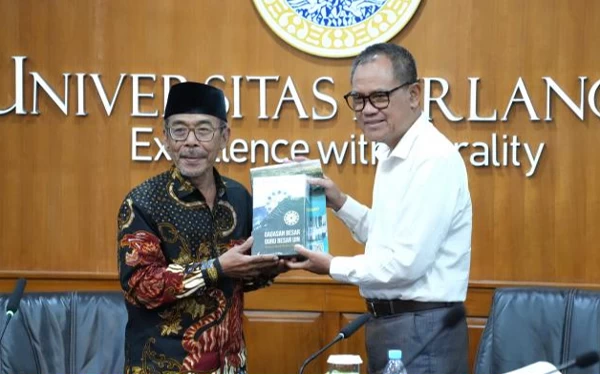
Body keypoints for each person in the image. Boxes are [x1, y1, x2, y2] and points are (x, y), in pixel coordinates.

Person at [287, 43, 472, 374]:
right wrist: (340, 202)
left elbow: (404, 264)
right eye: (358, 99)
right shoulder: (393, 152)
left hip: (422, 330)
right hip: (393, 324)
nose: (367, 109)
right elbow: (389, 235)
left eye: (379, 97)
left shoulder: (432, 158)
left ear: (414, 94)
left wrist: (331, 265)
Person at [117, 82, 283, 375]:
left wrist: (276, 264)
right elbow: (141, 287)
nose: (190, 142)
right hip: (162, 366)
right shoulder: (142, 202)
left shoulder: (239, 196)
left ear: (224, 137)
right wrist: (216, 267)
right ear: (166, 138)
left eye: (203, 130)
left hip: (230, 366)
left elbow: (241, 277)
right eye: (179, 130)